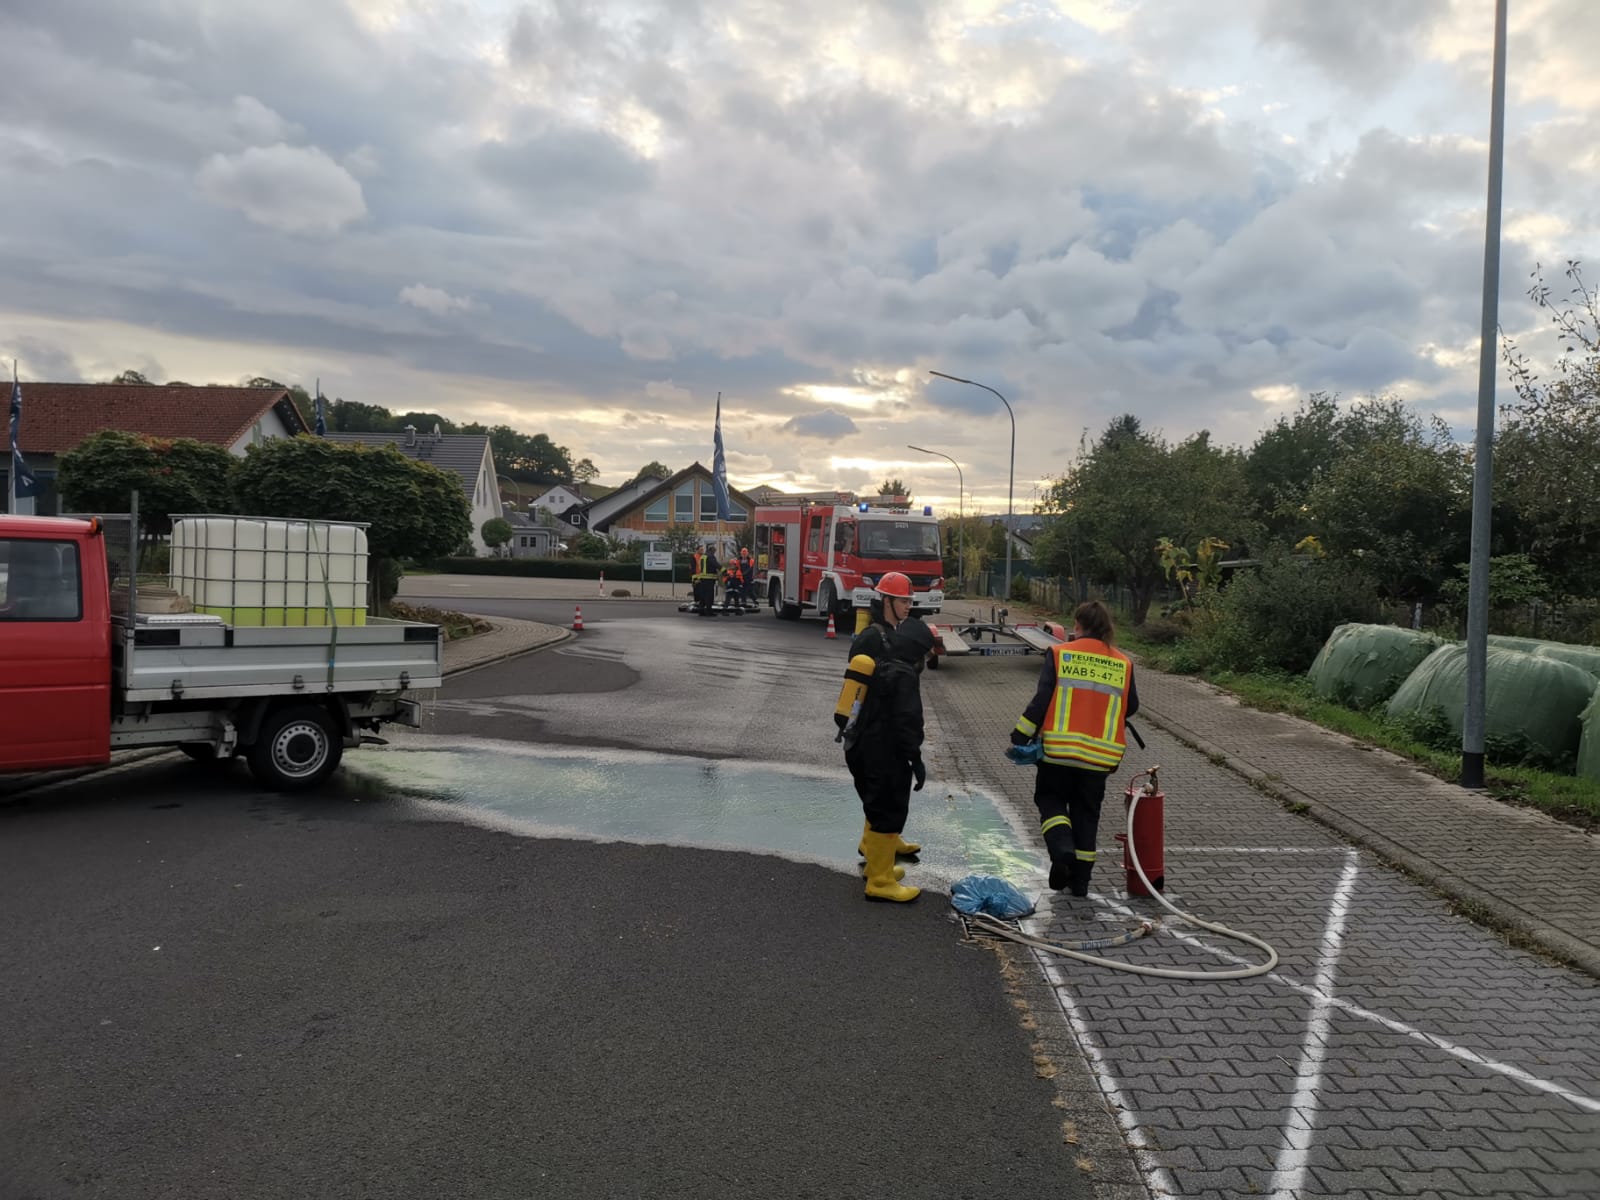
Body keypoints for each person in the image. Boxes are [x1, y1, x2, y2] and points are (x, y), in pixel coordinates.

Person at [1010, 600, 1139, 897]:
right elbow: (1131, 706)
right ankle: (1080, 882)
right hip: (1099, 759)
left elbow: (1041, 700)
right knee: (1086, 815)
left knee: (1050, 801)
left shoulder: (1060, 654)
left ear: (1078, 625)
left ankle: (1062, 849)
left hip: (1059, 753)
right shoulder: (1123, 663)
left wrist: (1021, 735)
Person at [845, 617, 935, 902]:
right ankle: (880, 882)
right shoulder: (902, 675)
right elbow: (908, 723)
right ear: (914, 649)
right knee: (888, 810)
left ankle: (877, 866)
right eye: (923, 653)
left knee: (877, 807)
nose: (923, 660)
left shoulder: (882, 664)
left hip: (861, 748)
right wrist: (916, 760)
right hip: (883, 753)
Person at [848, 571, 914, 661]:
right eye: (904, 602)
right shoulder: (870, 636)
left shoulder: (900, 633)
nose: (908, 606)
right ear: (887, 601)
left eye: (910, 602)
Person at [691, 544, 720, 615]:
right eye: (714, 551)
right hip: (709, 579)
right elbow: (715, 565)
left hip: (702, 579)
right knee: (709, 596)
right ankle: (709, 611)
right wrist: (724, 571)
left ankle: (701, 610)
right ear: (712, 550)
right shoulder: (710, 556)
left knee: (703, 595)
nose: (714, 553)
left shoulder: (703, 556)